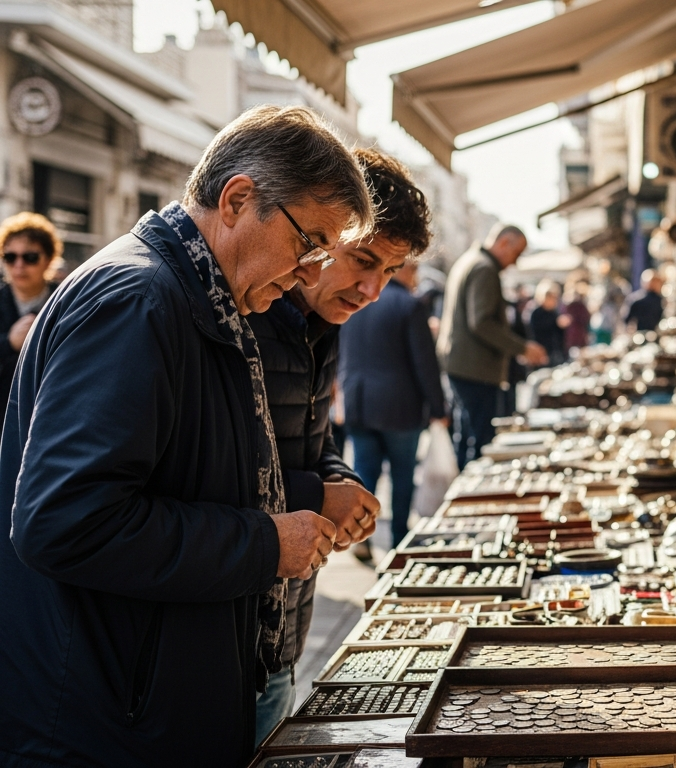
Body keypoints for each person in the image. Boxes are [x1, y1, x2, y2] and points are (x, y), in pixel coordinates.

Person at [0, 105, 372, 767]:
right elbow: (63, 521)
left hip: (149, 710)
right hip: (108, 728)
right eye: (309, 242)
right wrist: (262, 544)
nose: (312, 272)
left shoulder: (206, 299)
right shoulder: (138, 300)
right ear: (237, 200)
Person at [247, 146, 432, 742]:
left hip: (283, 620)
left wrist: (341, 481)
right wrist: (317, 492)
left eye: (390, 273)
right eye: (362, 261)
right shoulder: (251, 312)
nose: (373, 290)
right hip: (237, 625)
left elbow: (313, 439)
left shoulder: (319, 323)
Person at [341, 255, 448, 549]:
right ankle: (399, 538)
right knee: (401, 476)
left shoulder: (356, 301)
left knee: (364, 471)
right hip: (398, 408)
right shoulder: (410, 306)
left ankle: (358, 536)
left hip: (359, 402)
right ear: (408, 270)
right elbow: (425, 365)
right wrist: (439, 408)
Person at [437, 224, 548, 468]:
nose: (515, 262)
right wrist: (522, 348)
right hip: (475, 370)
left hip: (463, 367)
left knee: (468, 437)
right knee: (480, 442)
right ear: (504, 243)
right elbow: (482, 322)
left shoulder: (470, 261)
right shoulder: (484, 268)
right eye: (516, 253)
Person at [0, 212, 62, 406]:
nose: (19, 266)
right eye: (10, 257)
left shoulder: (65, 302)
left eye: (30, 257)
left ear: (49, 259)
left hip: (51, 409)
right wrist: (9, 342)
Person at [525, 278, 567, 367]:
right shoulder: (535, 312)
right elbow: (533, 333)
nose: (554, 300)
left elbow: (559, 336)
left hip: (554, 354)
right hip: (539, 354)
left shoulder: (554, 312)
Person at [623, 268, 665, 333]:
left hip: (650, 334)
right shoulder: (636, 299)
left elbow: (626, 319)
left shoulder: (659, 300)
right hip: (641, 335)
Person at [561, 279, 591, 351]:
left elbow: (586, 318)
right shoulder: (568, 306)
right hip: (572, 334)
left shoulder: (580, 305)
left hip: (578, 334)